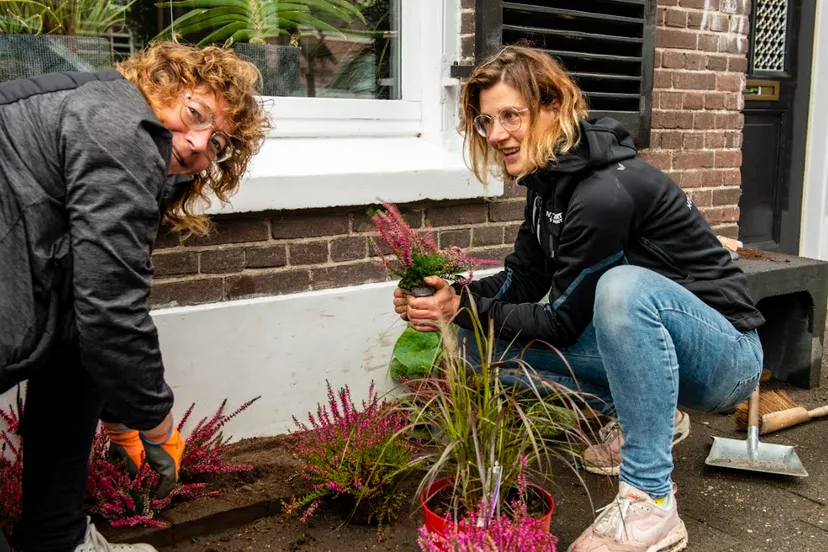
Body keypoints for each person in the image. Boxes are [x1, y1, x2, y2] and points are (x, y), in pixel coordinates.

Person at [393, 45, 764, 552]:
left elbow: (563, 321)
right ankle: (650, 416)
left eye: (510, 116)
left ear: (553, 106)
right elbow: (522, 280)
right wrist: (451, 300)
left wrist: (464, 307)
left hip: (725, 357)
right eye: (485, 121)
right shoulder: (549, 185)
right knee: (478, 340)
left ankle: (651, 500)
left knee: (622, 288)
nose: (496, 133)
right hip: (658, 350)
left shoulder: (604, 192)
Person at [0, 42, 268, 551]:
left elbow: (89, 305)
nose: (196, 143)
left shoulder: (100, 118)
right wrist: (156, 421)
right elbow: (113, 309)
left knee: (78, 358)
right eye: (195, 113)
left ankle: (56, 540)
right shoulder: (119, 124)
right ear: (158, 83)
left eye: (217, 143)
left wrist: (119, 415)